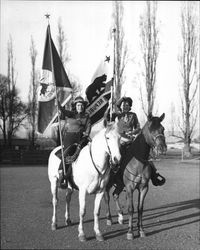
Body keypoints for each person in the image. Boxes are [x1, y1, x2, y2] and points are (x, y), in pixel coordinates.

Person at [56, 96, 91, 188]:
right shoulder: (71, 114)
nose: (80, 107)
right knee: (67, 153)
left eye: (82, 105)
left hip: (81, 138)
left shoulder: (87, 116)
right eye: (78, 105)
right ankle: (61, 175)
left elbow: (88, 126)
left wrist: (86, 134)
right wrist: (59, 105)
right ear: (75, 106)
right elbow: (63, 111)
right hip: (70, 137)